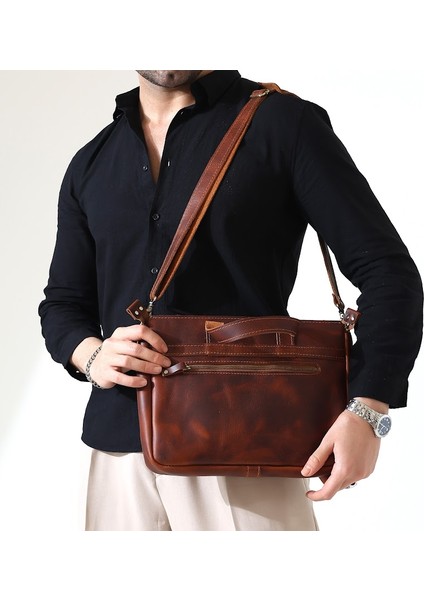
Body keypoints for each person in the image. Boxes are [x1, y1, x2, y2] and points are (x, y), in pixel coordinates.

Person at [39, 70, 423, 531]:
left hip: (244, 441)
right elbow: (62, 303)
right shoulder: (92, 161)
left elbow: (389, 274)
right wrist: (92, 355)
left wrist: (368, 409)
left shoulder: (282, 124)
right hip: (119, 452)